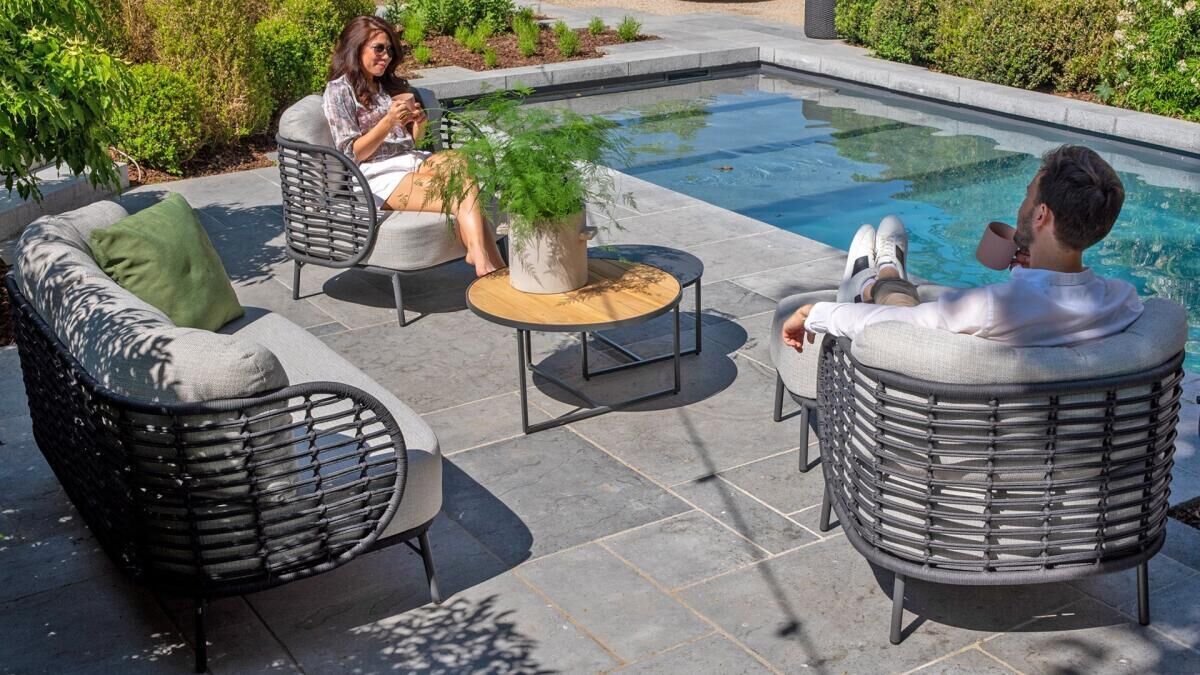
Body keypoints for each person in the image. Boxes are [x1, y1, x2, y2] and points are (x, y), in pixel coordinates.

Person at [782, 145, 1143, 352]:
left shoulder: (990, 309)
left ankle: (870, 281)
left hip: (933, 440)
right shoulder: (1124, 302)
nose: (1022, 204)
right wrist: (1031, 270)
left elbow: (891, 325)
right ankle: (882, 276)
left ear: (1041, 216)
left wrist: (814, 313)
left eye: (1027, 196)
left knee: (901, 308)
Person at [322, 15, 506, 277]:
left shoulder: (385, 86)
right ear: (356, 47)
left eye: (390, 50)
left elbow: (410, 143)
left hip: (411, 159)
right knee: (461, 190)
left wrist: (419, 124)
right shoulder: (339, 91)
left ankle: (480, 257)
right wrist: (388, 122)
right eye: (379, 48)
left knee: (460, 164)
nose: (386, 56)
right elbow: (351, 153)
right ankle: (490, 265)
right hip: (377, 174)